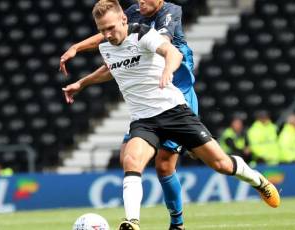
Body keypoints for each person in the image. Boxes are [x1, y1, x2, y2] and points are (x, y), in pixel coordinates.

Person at [64, 1, 280, 229]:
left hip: (174, 112)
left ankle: (258, 180)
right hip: (144, 120)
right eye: (102, 30)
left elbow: (172, 52)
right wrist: (81, 83)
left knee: (222, 164)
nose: (107, 35)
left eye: (110, 28)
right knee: (130, 160)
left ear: (124, 20)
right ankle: (132, 222)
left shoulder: (143, 34)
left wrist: (168, 68)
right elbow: (112, 68)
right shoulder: (106, 47)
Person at [60, 1, 197, 229]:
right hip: (147, 102)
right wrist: (77, 49)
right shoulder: (131, 13)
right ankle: (132, 221)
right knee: (128, 156)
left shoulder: (169, 13)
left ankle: (177, 223)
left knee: (164, 165)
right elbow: (109, 37)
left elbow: (158, 47)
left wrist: (81, 51)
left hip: (174, 90)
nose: (140, 2)